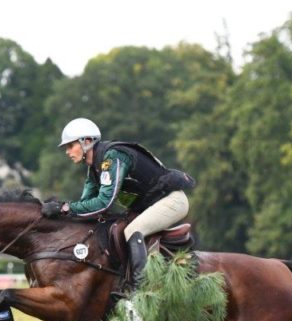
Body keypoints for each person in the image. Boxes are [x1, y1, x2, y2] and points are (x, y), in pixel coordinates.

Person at [42, 117, 194, 291]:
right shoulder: (94, 169)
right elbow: (85, 204)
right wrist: (62, 212)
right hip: (150, 205)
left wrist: (65, 208)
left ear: (87, 142)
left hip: (172, 201)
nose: (67, 152)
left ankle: (140, 289)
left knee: (132, 231)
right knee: (114, 229)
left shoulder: (113, 157)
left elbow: (103, 203)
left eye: (70, 146)